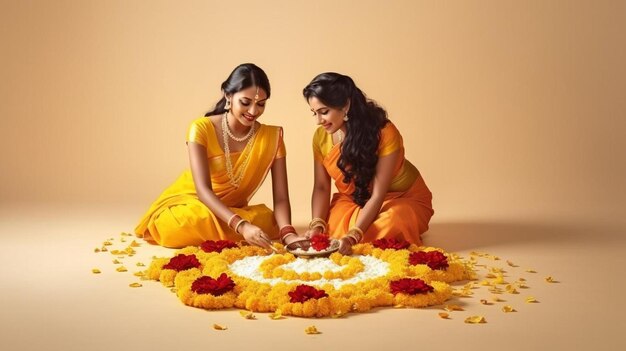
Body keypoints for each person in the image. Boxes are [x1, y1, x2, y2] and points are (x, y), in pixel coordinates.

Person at [135, 63, 299, 249]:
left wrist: (288, 234)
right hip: (194, 204)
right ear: (228, 96)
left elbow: (281, 199)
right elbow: (203, 191)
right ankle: (238, 231)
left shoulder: (271, 137)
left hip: (233, 211)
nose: (253, 111)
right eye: (245, 102)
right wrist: (242, 225)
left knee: (269, 221)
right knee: (179, 225)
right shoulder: (201, 128)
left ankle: (238, 230)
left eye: (261, 104)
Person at [301, 72, 434, 254]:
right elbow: (322, 188)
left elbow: (378, 194)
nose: (318, 121)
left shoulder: (385, 132)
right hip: (356, 200)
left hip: (400, 198)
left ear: (346, 105)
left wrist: (353, 235)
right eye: (314, 113)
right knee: (335, 221)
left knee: (395, 220)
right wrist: (317, 225)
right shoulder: (321, 138)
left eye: (324, 112)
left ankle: (364, 237)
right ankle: (359, 236)